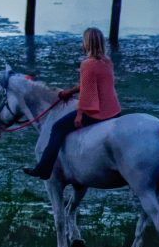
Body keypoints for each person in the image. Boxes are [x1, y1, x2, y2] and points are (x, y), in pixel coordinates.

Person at [23, 27, 121, 180]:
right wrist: (70, 91)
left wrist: (80, 114)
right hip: (113, 109)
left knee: (58, 127)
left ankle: (43, 169)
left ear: (87, 43)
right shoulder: (106, 62)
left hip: (99, 112)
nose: (82, 44)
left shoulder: (87, 64)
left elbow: (88, 93)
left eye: (83, 41)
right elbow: (91, 84)